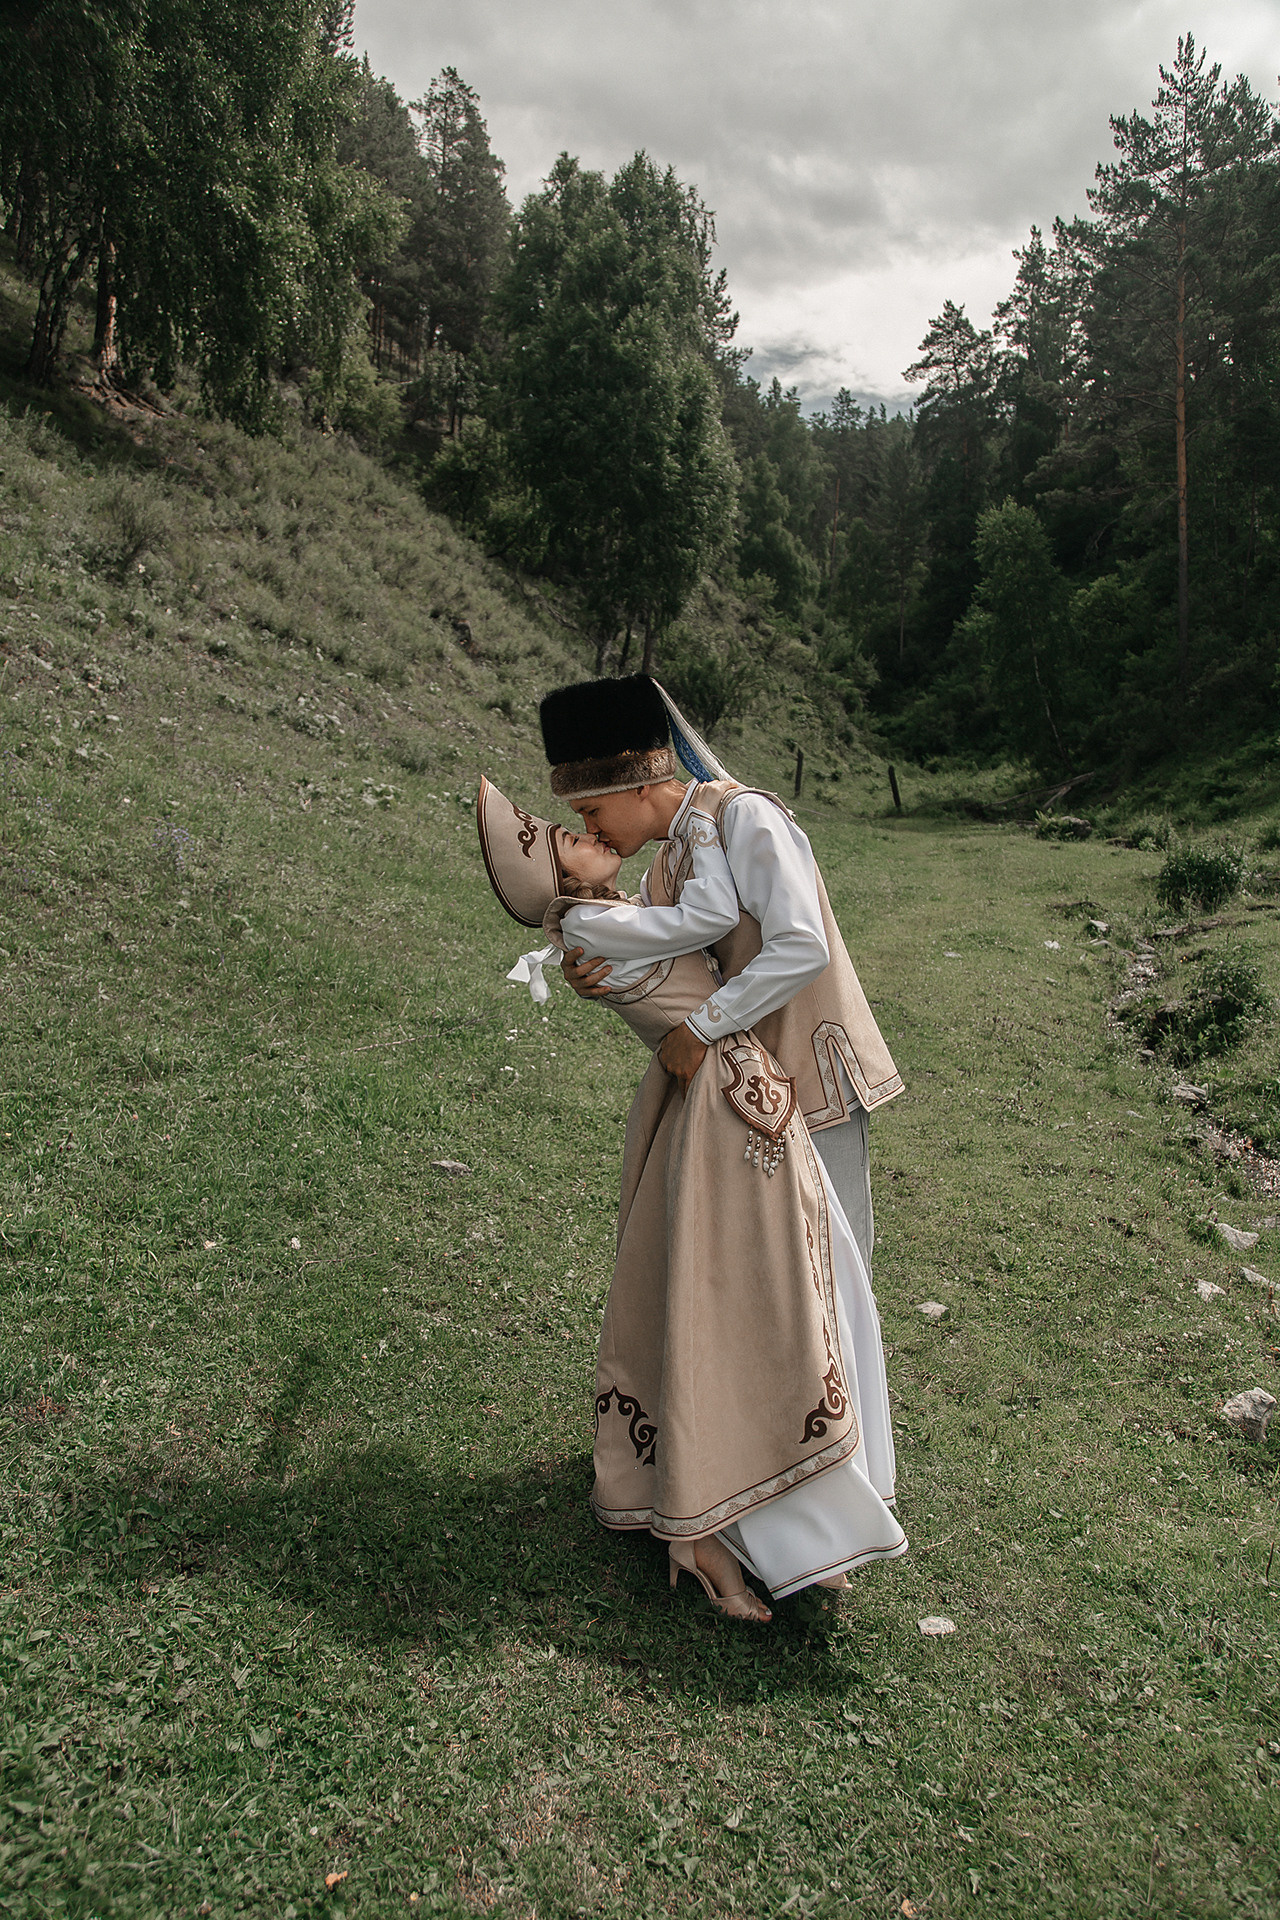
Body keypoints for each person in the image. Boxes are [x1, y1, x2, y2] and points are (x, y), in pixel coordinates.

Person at [477, 762, 906, 1619]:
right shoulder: (609, 913)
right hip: (728, 1104)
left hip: (734, 1089)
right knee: (771, 1301)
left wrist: (697, 829)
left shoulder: (624, 904)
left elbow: (735, 941)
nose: (591, 833)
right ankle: (727, 1527)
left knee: (780, 1295)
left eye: (589, 813)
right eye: (572, 836)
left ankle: (772, 1521)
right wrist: (696, 833)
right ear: (563, 884)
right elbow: (706, 924)